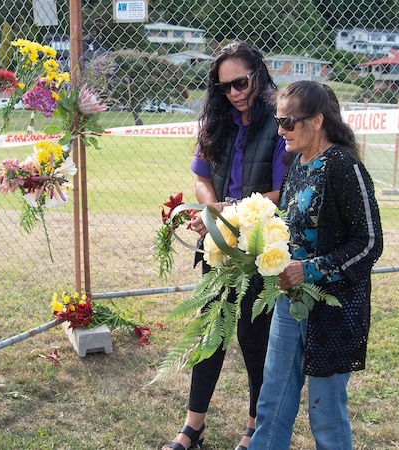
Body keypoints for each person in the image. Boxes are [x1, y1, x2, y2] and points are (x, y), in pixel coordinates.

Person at [163, 41, 289, 450]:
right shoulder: (215, 122)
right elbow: (201, 177)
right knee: (209, 330)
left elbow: (280, 191)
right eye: (225, 87)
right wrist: (212, 208)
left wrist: (231, 216)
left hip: (257, 246)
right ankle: (192, 428)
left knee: (255, 338)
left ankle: (254, 427)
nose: (234, 93)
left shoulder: (280, 122)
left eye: (240, 82)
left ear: (259, 73)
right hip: (218, 243)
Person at [247, 81, 383, 449]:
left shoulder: (343, 165)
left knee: (325, 413)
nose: (280, 130)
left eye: (288, 122)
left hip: (333, 310)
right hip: (290, 302)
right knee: (271, 401)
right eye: (279, 120)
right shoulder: (299, 164)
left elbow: (369, 243)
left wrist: (309, 270)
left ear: (317, 120)